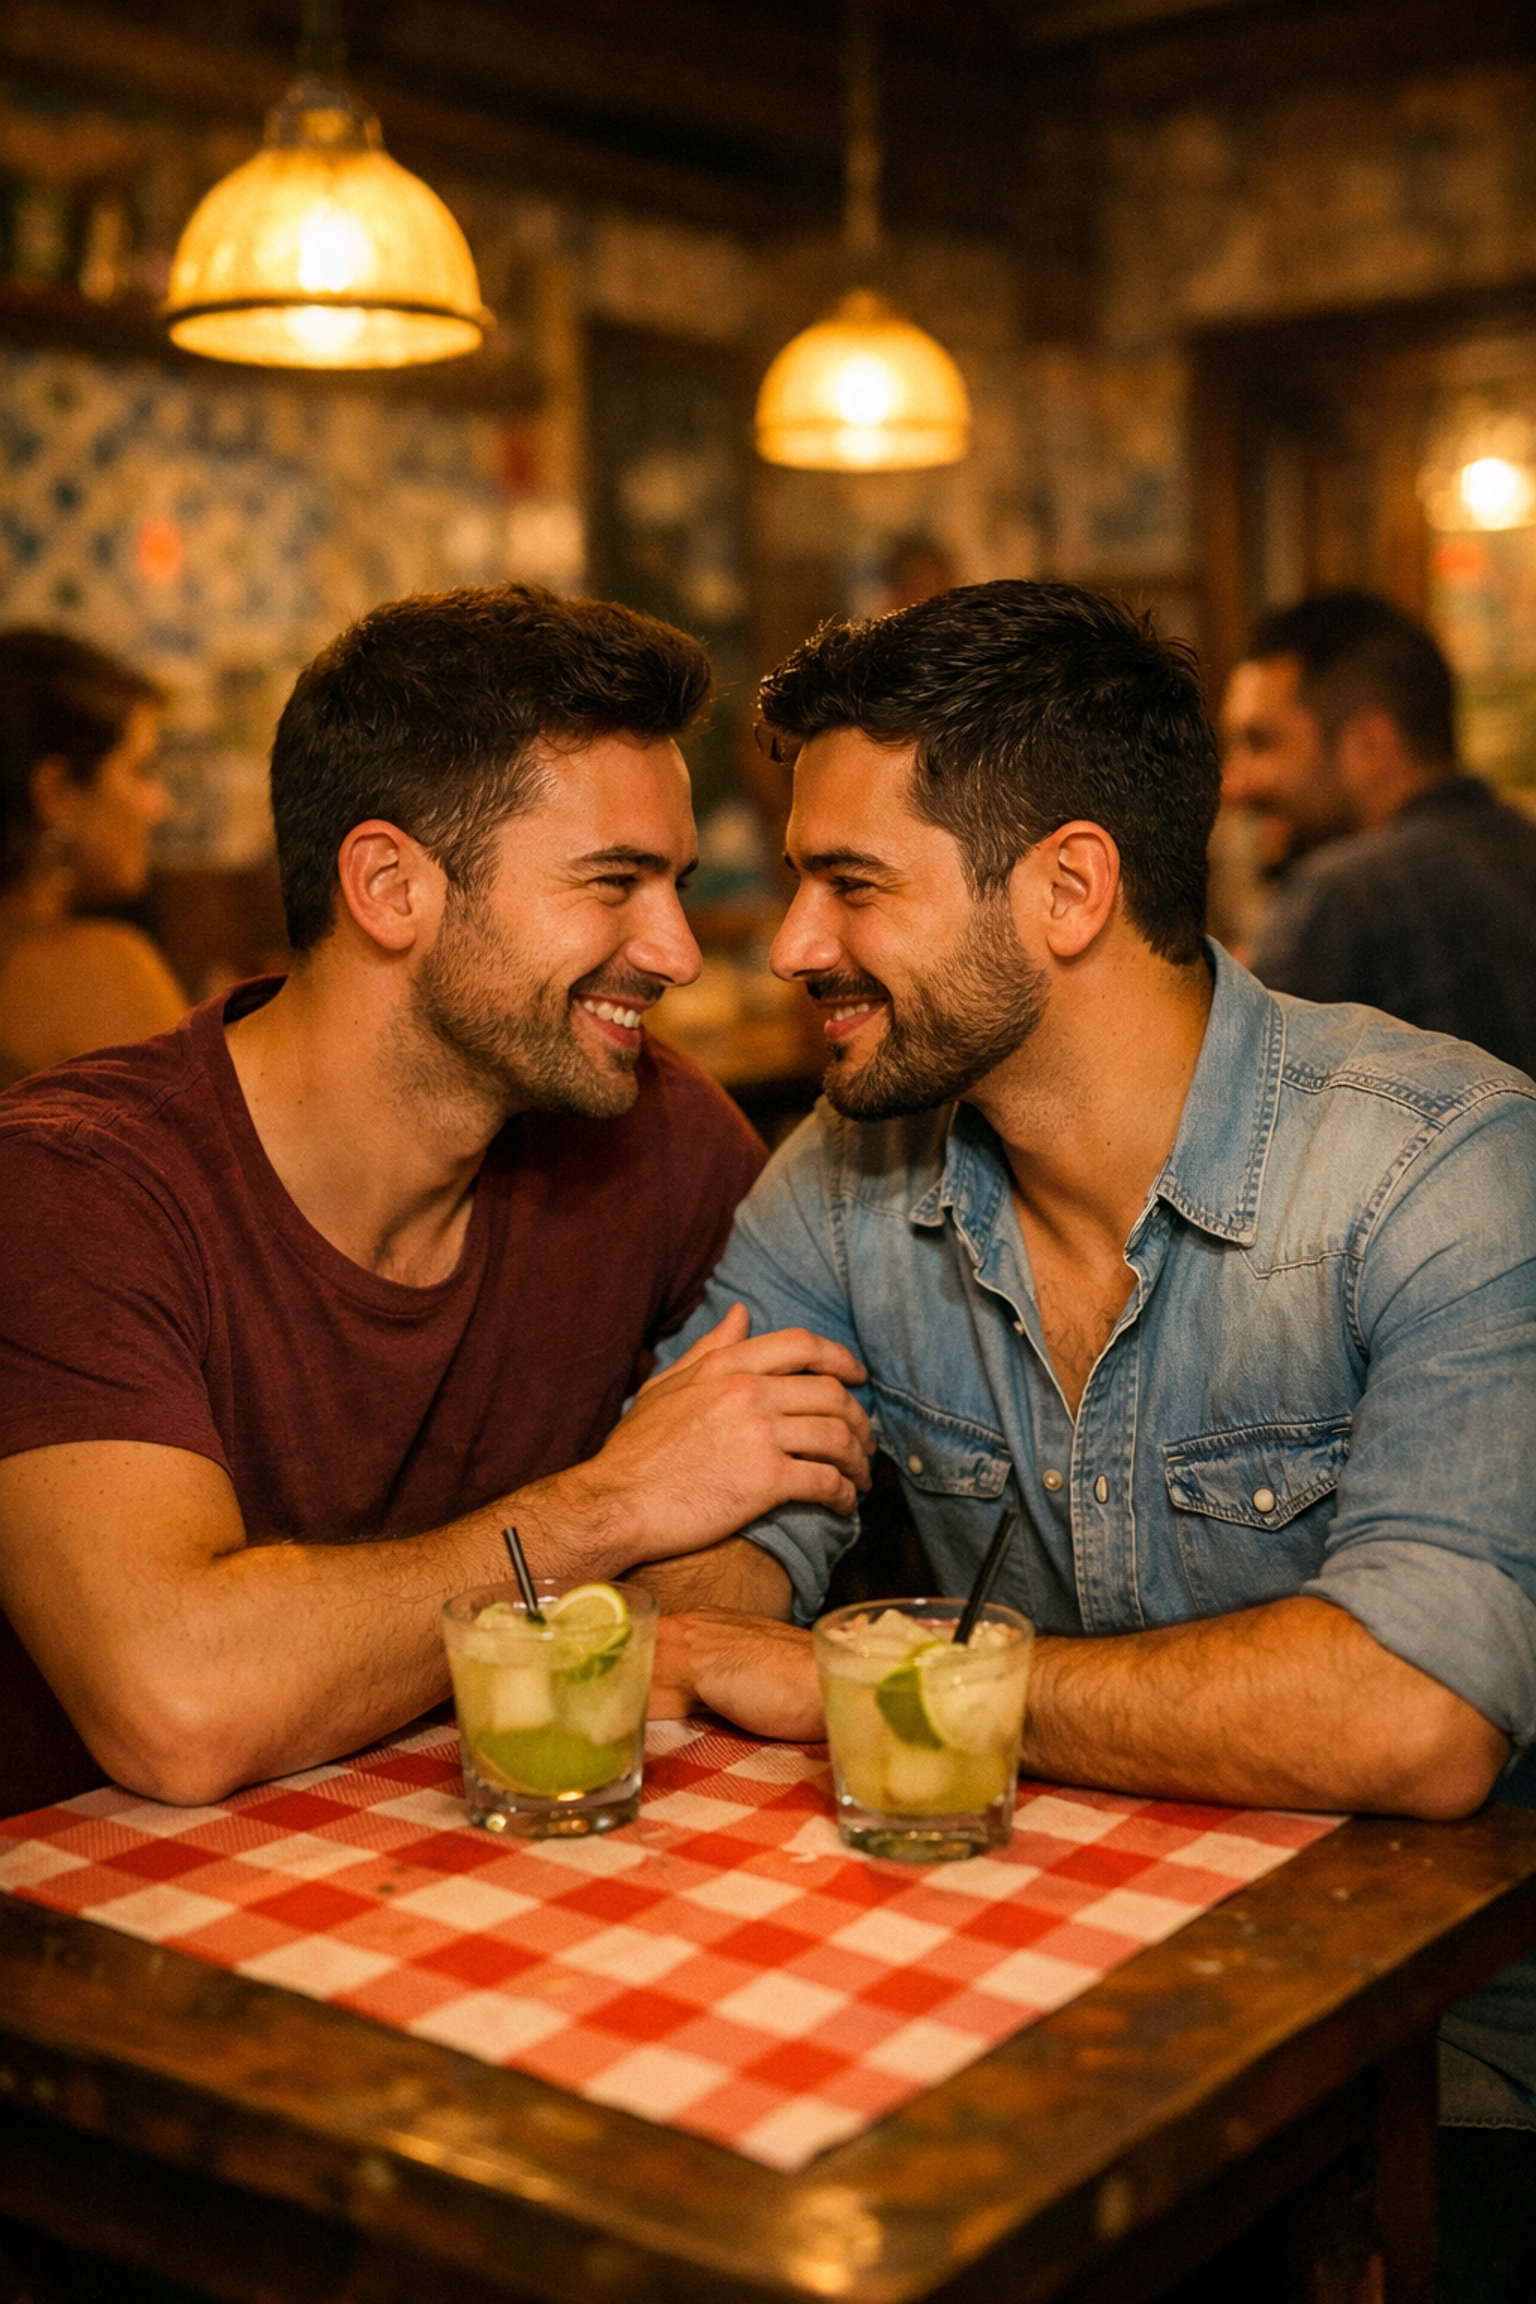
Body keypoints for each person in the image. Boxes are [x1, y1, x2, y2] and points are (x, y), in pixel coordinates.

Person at [636, 581, 1536, 2303]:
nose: (788, 946)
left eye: (850, 883)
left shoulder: (1446, 1165)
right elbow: (710, 1523)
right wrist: (731, 1594)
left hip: (1445, 2067)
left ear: (1065, 887)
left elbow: (1415, 1712)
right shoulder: (848, 1173)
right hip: (1026, 2007)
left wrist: (879, 1682)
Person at [0, 583, 871, 1819]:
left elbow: (776, 1493)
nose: (677, 949)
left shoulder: (653, 1134)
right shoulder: (69, 1188)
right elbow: (179, 1705)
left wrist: (666, 1575)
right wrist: (608, 1506)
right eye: (614, 881)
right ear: (390, 886)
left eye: (673, 881)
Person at [1220, 589, 1536, 1076]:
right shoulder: (1521, 843)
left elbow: (1226, 1098)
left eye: (1261, 743)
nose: (1234, 784)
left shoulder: (1342, 895)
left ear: (1371, 744)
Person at [0, 628, 187, 1086]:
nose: (161, 804)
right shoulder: (95, 971)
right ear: (57, 792)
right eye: (142, 771)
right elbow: (218, 1151)